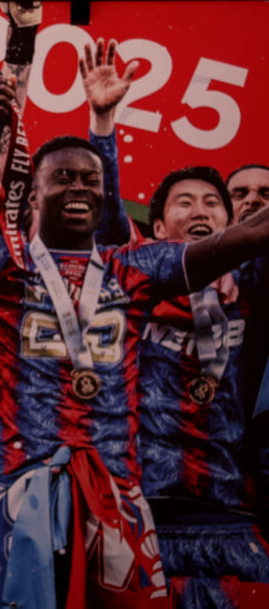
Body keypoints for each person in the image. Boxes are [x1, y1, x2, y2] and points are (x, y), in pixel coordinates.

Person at [0, 115, 269, 607]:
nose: (79, 188)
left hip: (118, 494)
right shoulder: (2, 263)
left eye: (91, 180)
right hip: (20, 491)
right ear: (33, 194)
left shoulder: (136, 268)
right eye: (63, 177)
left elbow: (240, 239)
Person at [142, 167, 269, 607]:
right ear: (157, 227)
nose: (200, 209)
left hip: (231, 516)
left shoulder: (251, 287)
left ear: (230, 220)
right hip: (144, 515)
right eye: (185, 201)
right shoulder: (128, 281)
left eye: (213, 202)